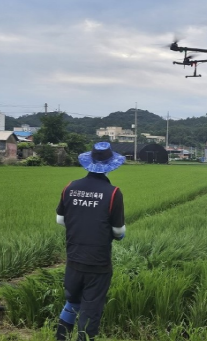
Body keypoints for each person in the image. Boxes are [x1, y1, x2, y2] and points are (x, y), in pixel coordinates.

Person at [55, 142, 126, 341]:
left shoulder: (70, 187)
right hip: (98, 263)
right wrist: (119, 236)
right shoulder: (113, 193)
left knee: (72, 302)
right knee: (91, 309)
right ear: (111, 164)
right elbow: (118, 230)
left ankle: (60, 338)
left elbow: (60, 219)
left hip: (74, 257)